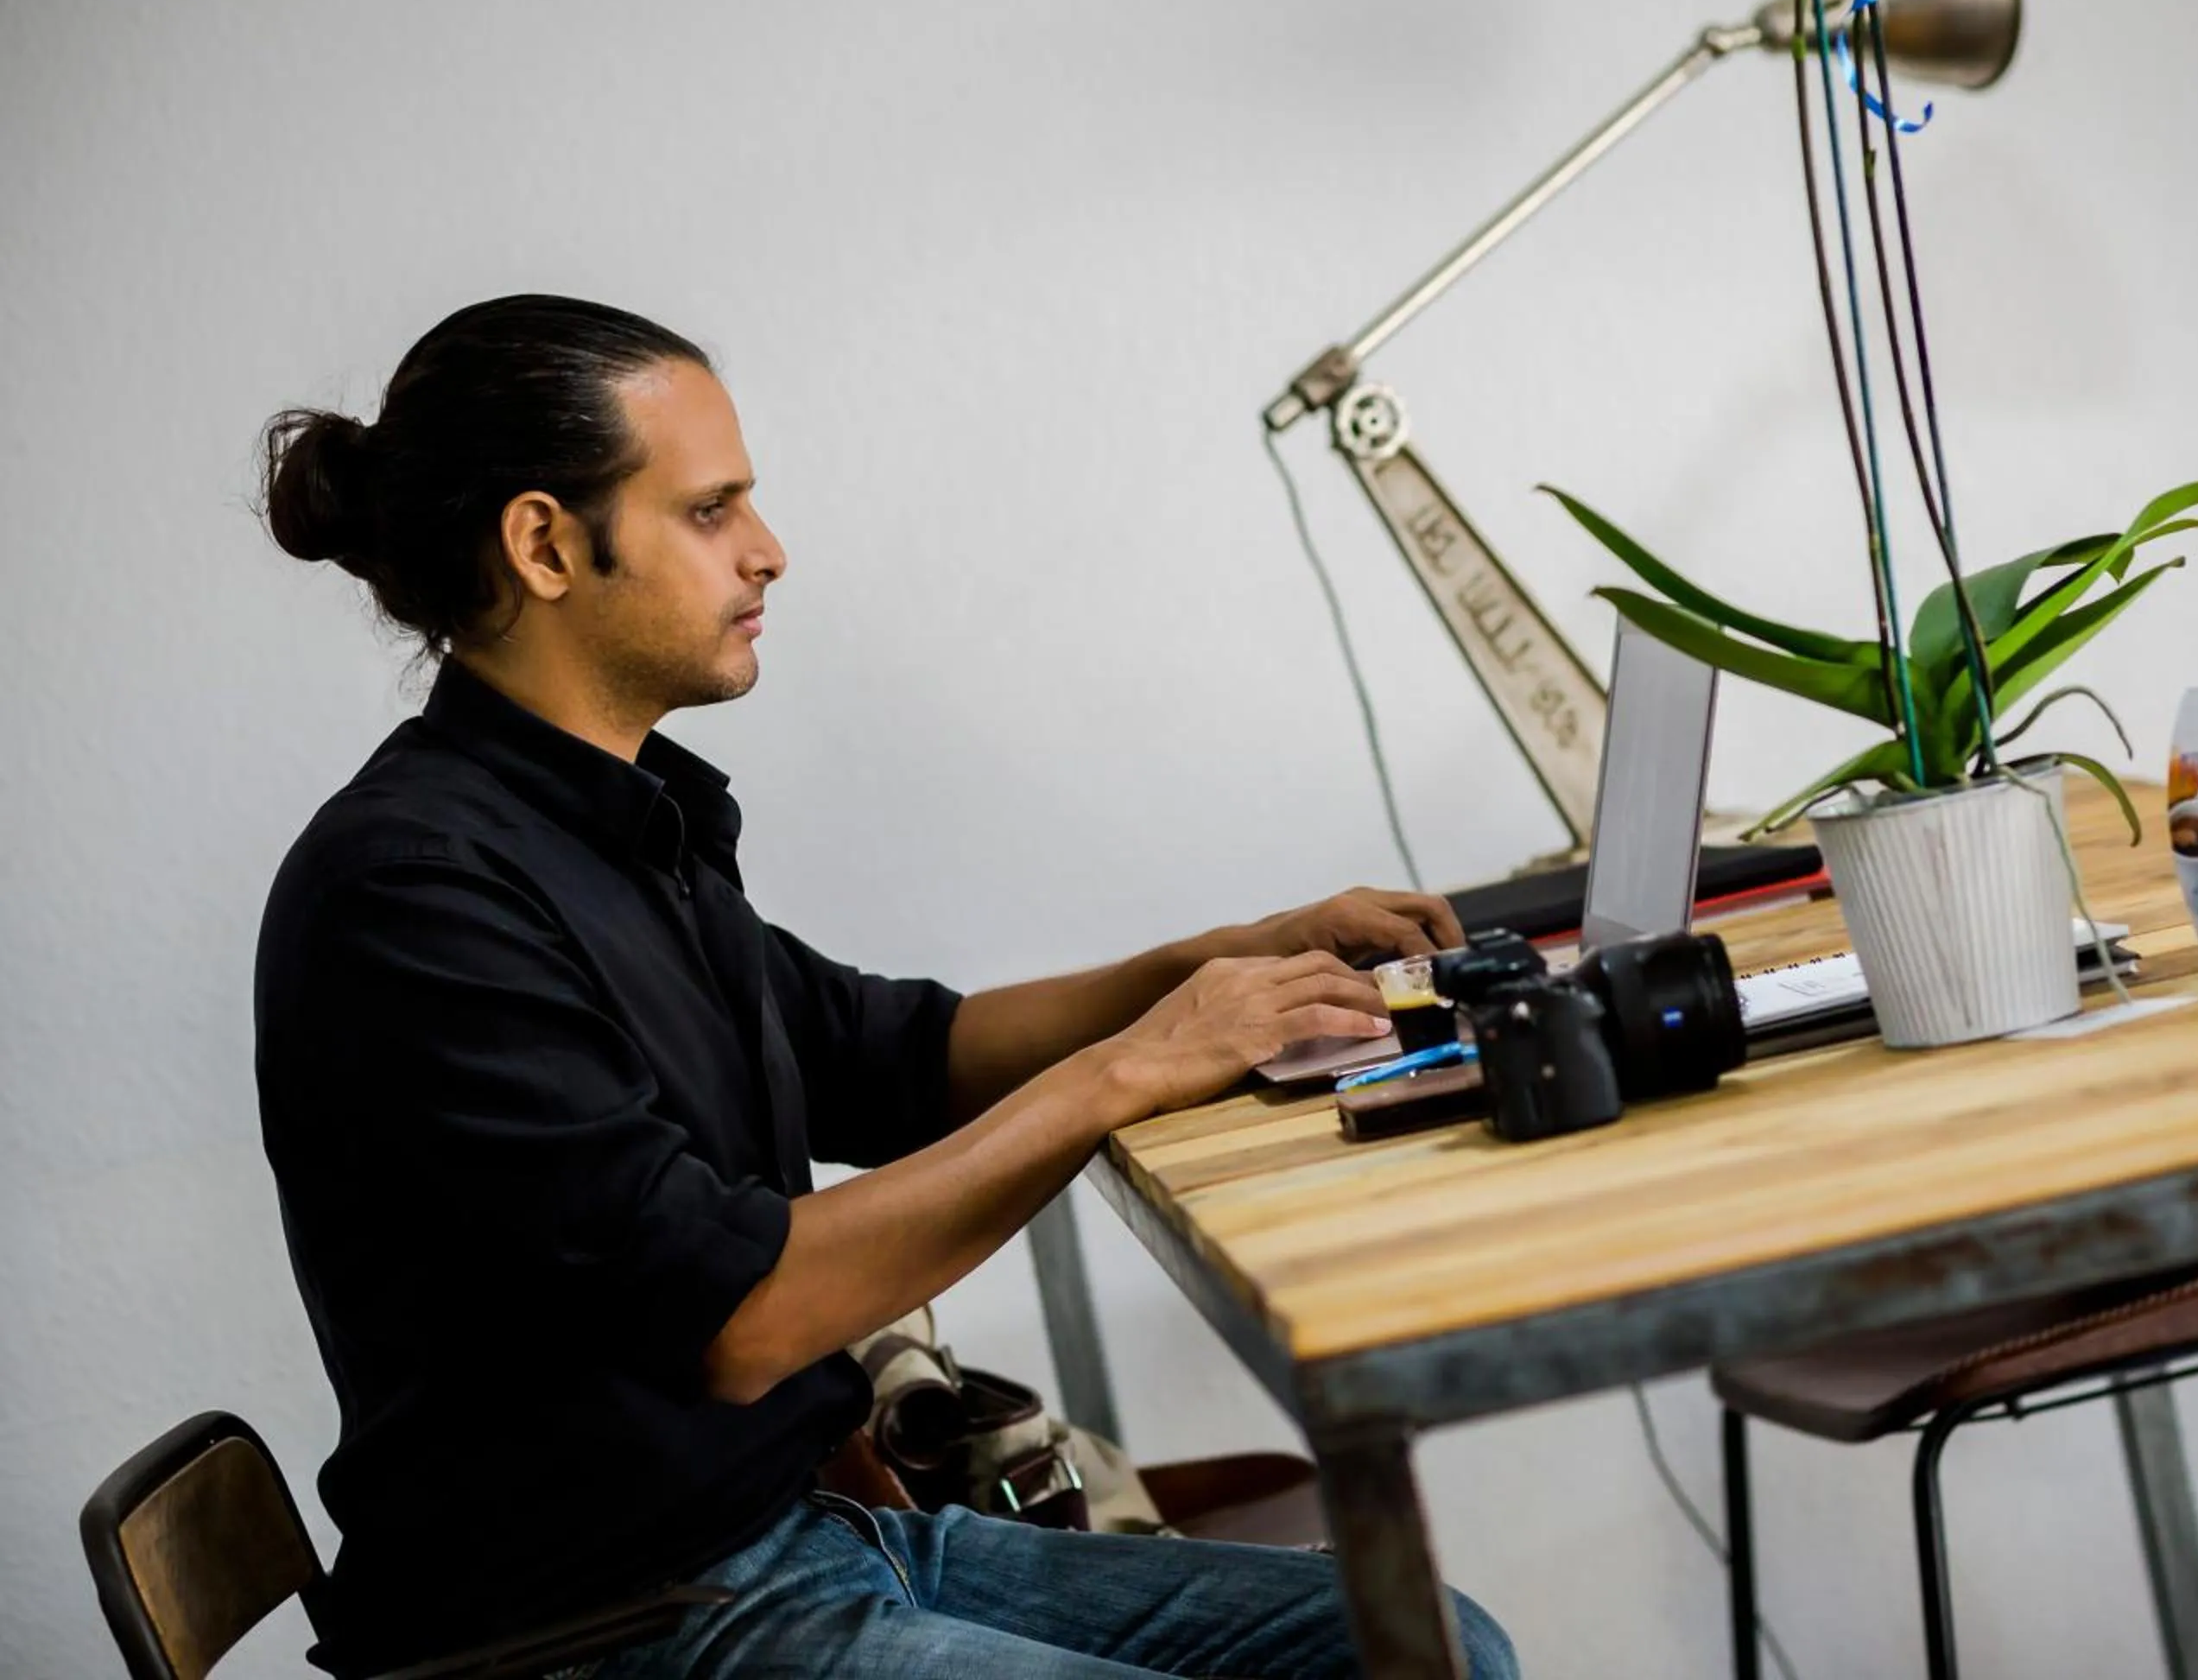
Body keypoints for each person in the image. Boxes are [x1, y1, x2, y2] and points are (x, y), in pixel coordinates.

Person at [251, 294, 1517, 1679]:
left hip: (788, 1544)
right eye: (710, 510)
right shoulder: (415, 893)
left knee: (1434, 1646)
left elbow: (900, 1054)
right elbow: (741, 1321)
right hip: (607, 1632)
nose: (768, 549)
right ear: (546, 544)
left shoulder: (616, 828)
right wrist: (1135, 1067)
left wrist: (1217, 963)